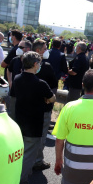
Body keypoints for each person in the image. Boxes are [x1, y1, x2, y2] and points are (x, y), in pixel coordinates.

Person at [11, 52, 56, 184]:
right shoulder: (40, 83)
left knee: (18, 155)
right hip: (34, 125)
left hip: (19, 122)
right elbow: (53, 98)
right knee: (28, 157)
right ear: (35, 64)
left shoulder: (17, 78)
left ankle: (12, 180)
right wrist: (46, 100)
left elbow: (13, 96)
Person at [31, 39, 58, 171]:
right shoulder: (46, 66)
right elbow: (54, 86)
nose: (46, 51)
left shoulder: (25, 64)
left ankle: (32, 158)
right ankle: (37, 160)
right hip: (41, 108)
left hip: (29, 107)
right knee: (40, 134)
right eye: (44, 49)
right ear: (38, 51)